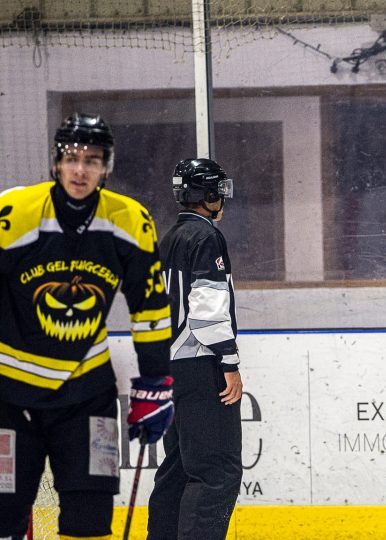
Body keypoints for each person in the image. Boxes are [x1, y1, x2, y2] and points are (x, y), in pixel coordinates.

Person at [0, 112, 174, 540]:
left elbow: (150, 306)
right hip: (7, 395)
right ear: (56, 162)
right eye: (72, 158)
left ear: (107, 166)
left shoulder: (129, 221)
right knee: (3, 515)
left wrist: (155, 380)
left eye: (92, 160)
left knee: (90, 519)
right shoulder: (13, 213)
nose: (81, 170)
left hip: (85, 396)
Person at [147, 158, 243, 540]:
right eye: (219, 189)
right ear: (207, 194)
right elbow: (207, 311)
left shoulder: (169, 237)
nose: (223, 197)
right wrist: (230, 361)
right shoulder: (206, 238)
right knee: (216, 471)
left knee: (179, 467)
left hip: (170, 369)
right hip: (202, 366)